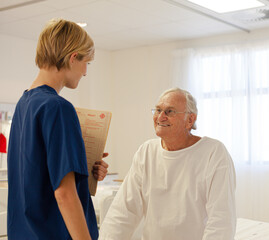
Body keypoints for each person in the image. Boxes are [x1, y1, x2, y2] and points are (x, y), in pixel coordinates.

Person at [7, 19, 109, 240]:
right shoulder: (58, 108)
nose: (85, 73)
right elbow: (64, 193)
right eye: (87, 63)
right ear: (73, 58)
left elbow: (37, 173)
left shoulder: (24, 104)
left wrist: (84, 166)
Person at [100, 88, 236, 240]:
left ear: (190, 120)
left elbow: (221, 219)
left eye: (170, 111)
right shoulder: (147, 151)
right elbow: (123, 211)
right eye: (158, 110)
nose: (160, 117)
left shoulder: (214, 153)